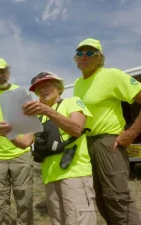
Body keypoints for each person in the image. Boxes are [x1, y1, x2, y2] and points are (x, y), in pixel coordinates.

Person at [0, 72, 97, 225]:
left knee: (78, 220)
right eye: (38, 88)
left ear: (59, 88)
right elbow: (25, 143)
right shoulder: (39, 116)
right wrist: (9, 134)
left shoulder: (72, 102)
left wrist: (47, 110)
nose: (43, 90)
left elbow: (77, 128)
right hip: (50, 178)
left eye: (47, 85)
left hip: (74, 175)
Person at [73, 38, 141, 225]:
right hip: (87, 144)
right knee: (100, 197)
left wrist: (131, 133)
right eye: (80, 53)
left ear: (100, 58)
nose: (83, 56)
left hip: (108, 142)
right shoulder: (78, 84)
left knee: (117, 197)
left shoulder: (113, 75)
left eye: (89, 53)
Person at [0, 58, 33, 225]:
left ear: (8, 72)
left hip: (20, 154)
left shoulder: (21, 92)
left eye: (3, 71)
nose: (0, 75)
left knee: (24, 200)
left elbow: (31, 122)